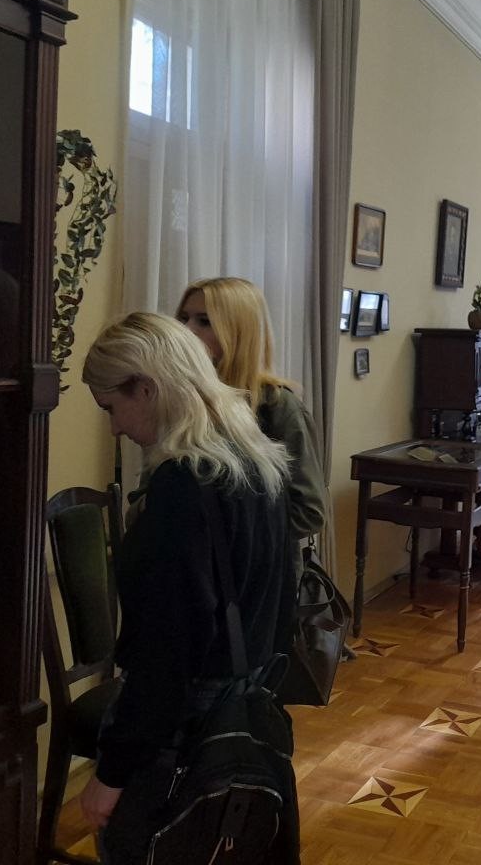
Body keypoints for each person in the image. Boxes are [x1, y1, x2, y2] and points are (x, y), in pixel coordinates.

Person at [78, 312, 298, 863]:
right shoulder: (256, 459)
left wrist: (111, 774)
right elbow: (281, 600)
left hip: (181, 732)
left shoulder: (181, 486)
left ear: (146, 388)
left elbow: (165, 655)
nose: (115, 428)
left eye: (110, 408)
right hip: (244, 710)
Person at [175, 277, 326, 548]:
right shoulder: (180, 399)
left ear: (236, 332)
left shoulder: (277, 407)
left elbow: (309, 513)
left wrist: (227, 536)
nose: (186, 330)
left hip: (255, 569)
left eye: (204, 321)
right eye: (183, 318)